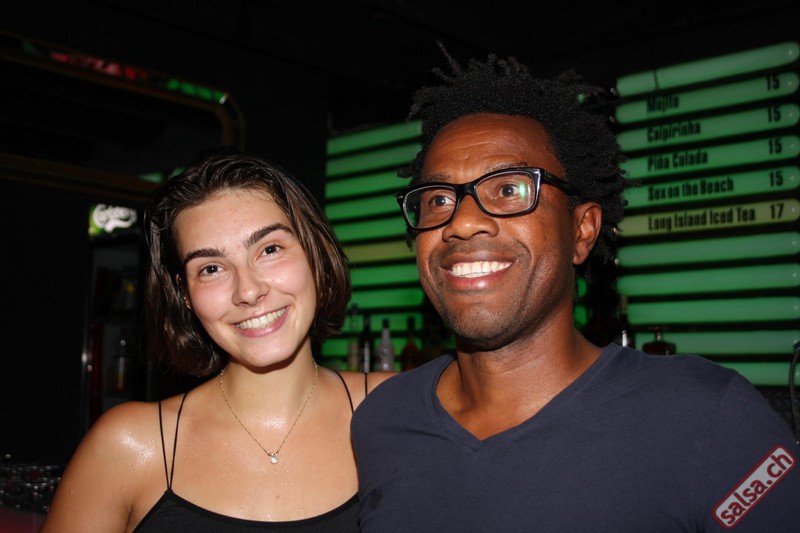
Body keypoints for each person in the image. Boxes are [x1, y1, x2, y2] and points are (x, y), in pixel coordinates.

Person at [350, 47, 800, 531]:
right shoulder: (383, 423)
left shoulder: (707, 418)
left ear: (582, 232)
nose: (461, 222)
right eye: (439, 199)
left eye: (509, 189)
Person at [41, 150, 392, 532]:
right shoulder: (131, 447)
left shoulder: (399, 410)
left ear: (314, 253)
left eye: (269, 249)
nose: (248, 290)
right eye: (211, 268)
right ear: (184, 294)